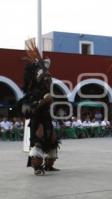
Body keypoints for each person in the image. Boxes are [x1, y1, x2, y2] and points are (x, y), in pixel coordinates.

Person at [19, 39, 60, 175]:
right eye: (46, 78)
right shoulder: (33, 93)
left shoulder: (46, 91)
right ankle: (37, 167)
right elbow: (25, 109)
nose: (49, 80)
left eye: (49, 78)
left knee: (53, 141)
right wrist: (42, 102)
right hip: (37, 121)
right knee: (38, 142)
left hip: (47, 119)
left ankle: (48, 165)